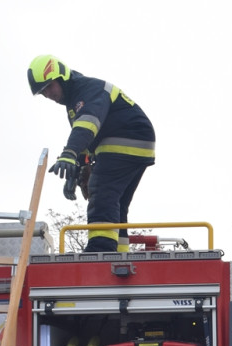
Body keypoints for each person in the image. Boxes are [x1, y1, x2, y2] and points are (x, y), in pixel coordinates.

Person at [28, 55, 157, 253]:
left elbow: (87, 124)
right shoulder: (75, 100)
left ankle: (101, 250)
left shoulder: (89, 90)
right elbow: (87, 142)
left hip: (125, 139)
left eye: (49, 86)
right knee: (118, 203)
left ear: (61, 76)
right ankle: (120, 254)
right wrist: (75, 170)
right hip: (135, 142)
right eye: (42, 92)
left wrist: (68, 153)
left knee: (102, 190)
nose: (48, 94)